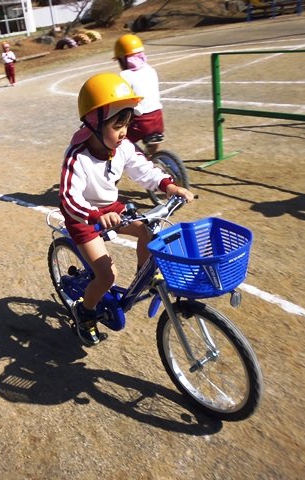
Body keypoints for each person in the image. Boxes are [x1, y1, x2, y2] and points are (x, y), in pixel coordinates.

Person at [59, 72, 194, 346]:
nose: (124, 132)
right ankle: (84, 314)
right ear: (94, 122)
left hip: (113, 209)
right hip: (84, 219)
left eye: (127, 124)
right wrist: (95, 215)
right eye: (117, 125)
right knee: (107, 275)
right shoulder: (77, 158)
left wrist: (169, 186)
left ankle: (144, 278)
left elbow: (144, 169)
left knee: (147, 231)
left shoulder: (122, 147)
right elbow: (68, 200)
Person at [113, 34, 163, 156]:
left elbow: (121, 100)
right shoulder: (151, 70)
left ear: (124, 59)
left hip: (141, 122)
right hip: (158, 119)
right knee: (150, 153)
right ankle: (151, 160)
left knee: (117, 141)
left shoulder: (124, 75)